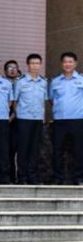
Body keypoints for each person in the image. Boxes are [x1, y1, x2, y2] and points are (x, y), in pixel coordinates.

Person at [12, 53, 48, 185]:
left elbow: (44, 101)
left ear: (40, 65)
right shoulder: (20, 82)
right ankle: (22, 177)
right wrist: (18, 115)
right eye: (32, 63)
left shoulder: (44, 82)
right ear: (27, 65)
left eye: (37, 63)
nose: (35, 66)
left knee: (35, 149)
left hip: (37, 119)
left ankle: (32, 176)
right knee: (23, 149)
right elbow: (15, 102)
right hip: (23, 119)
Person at [50, 52, 83, 185]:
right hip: (60, 121)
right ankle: (57, 177)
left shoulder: (81, 79)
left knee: (79, 150)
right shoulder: (55, 81)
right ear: (61, 64)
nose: (67, 64)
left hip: (78, 120)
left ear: (75, 64)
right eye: (65, 62)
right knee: (57, 150)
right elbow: (52, 100)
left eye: (70, 62)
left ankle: (79, 177)